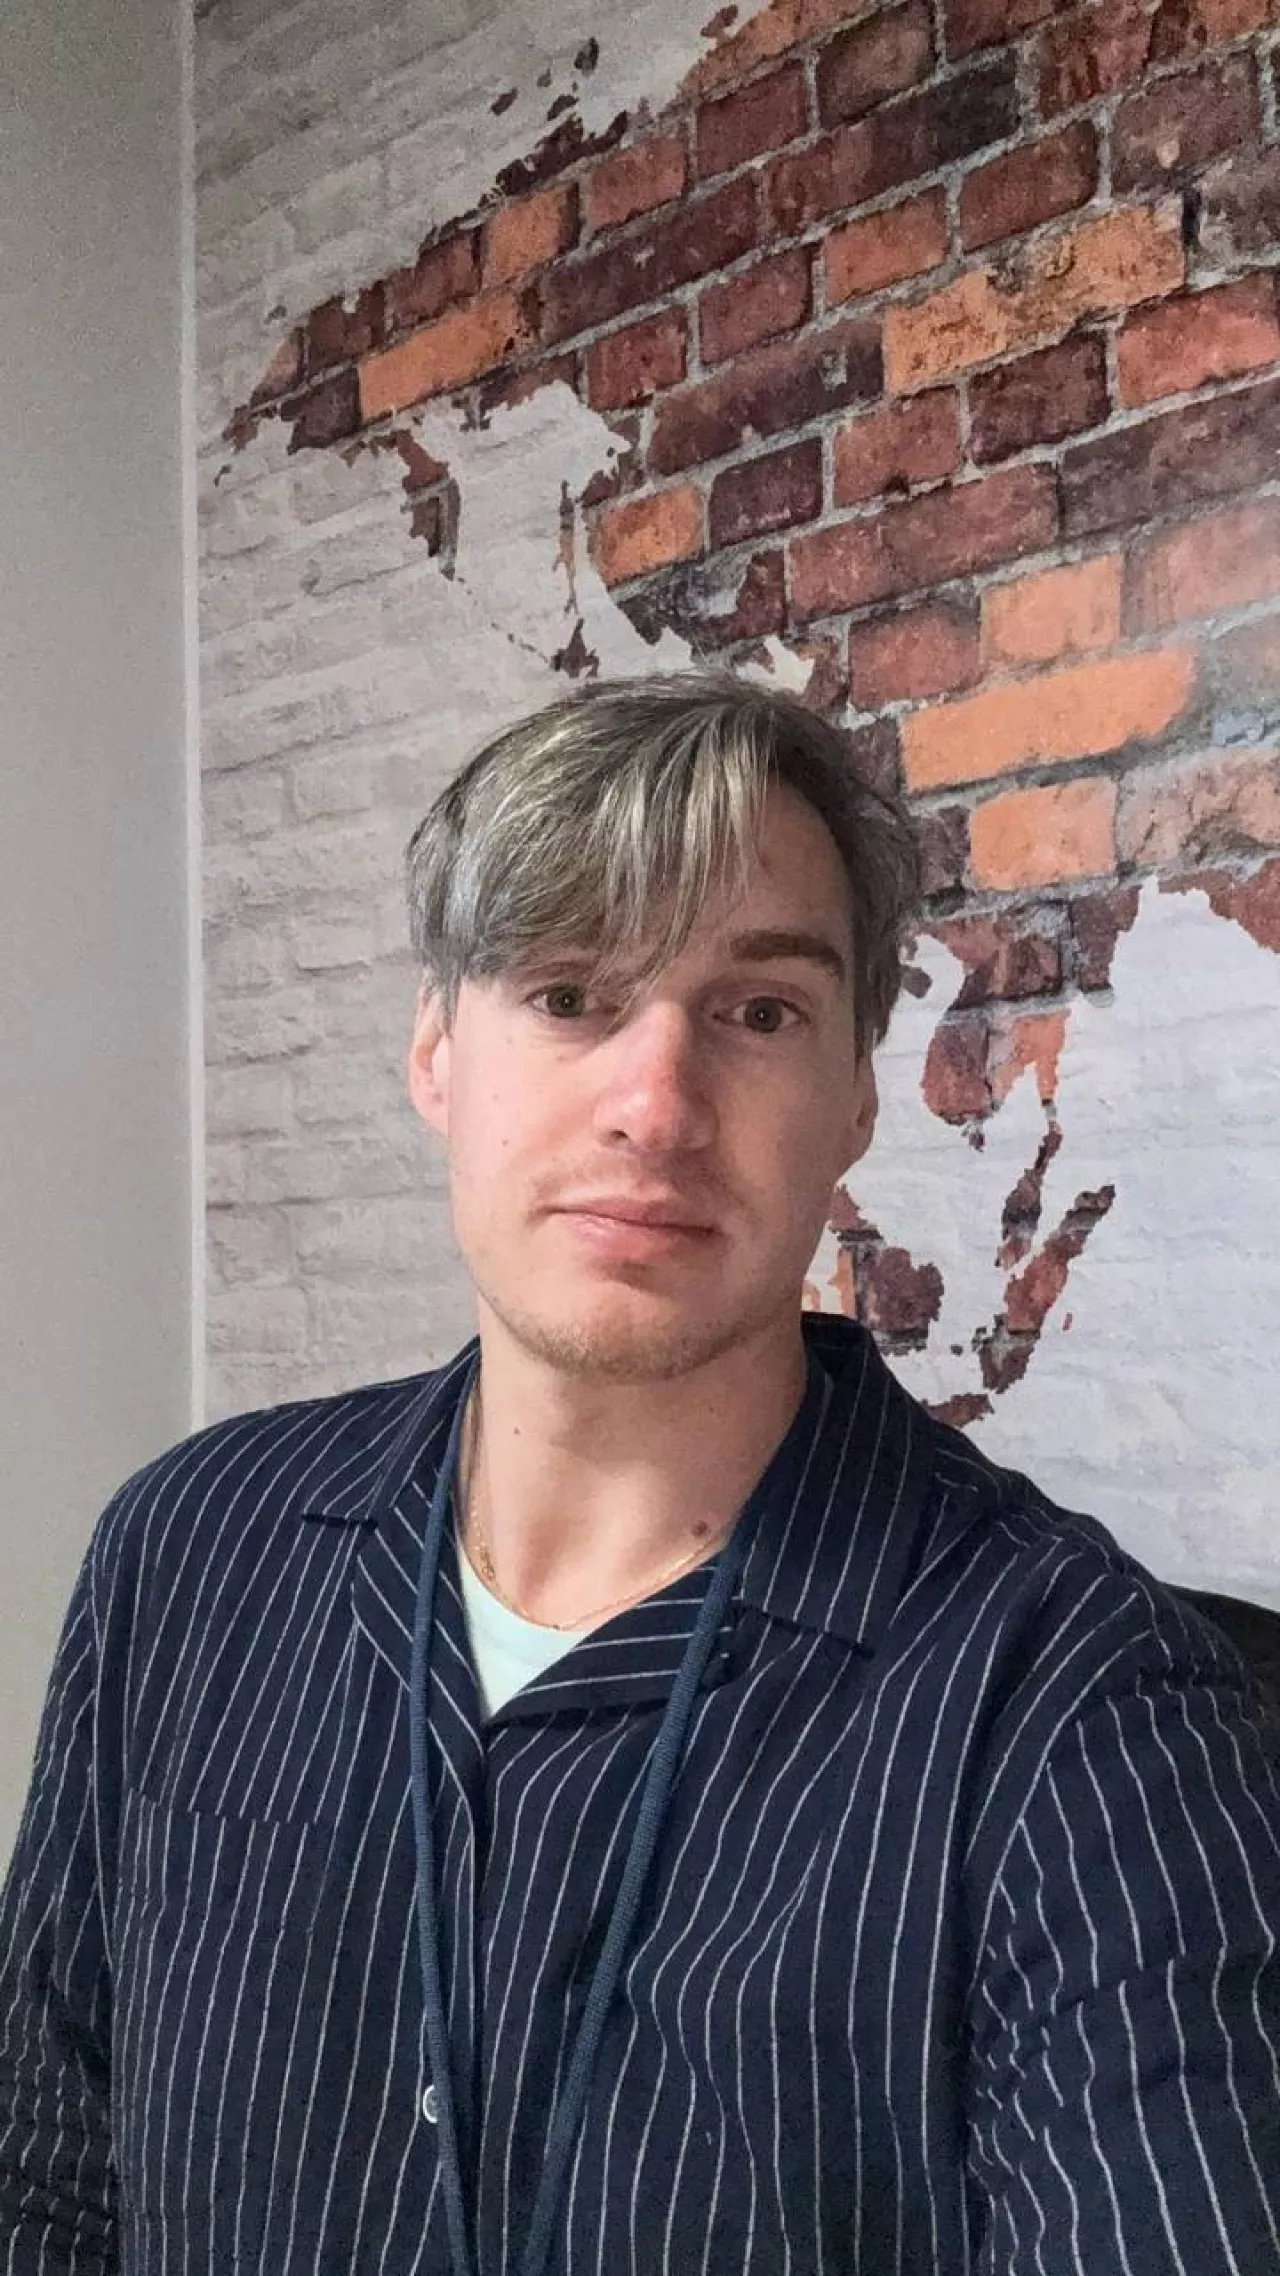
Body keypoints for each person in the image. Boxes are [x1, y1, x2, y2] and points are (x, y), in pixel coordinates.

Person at [1, 672, 1278, 2276]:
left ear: (856, 1097)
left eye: (761, 1012)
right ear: (435, 1054)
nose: (657, 1108)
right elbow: (45, 2171)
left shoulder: (1085, 1702)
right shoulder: (190, 1553)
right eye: (568, 994)